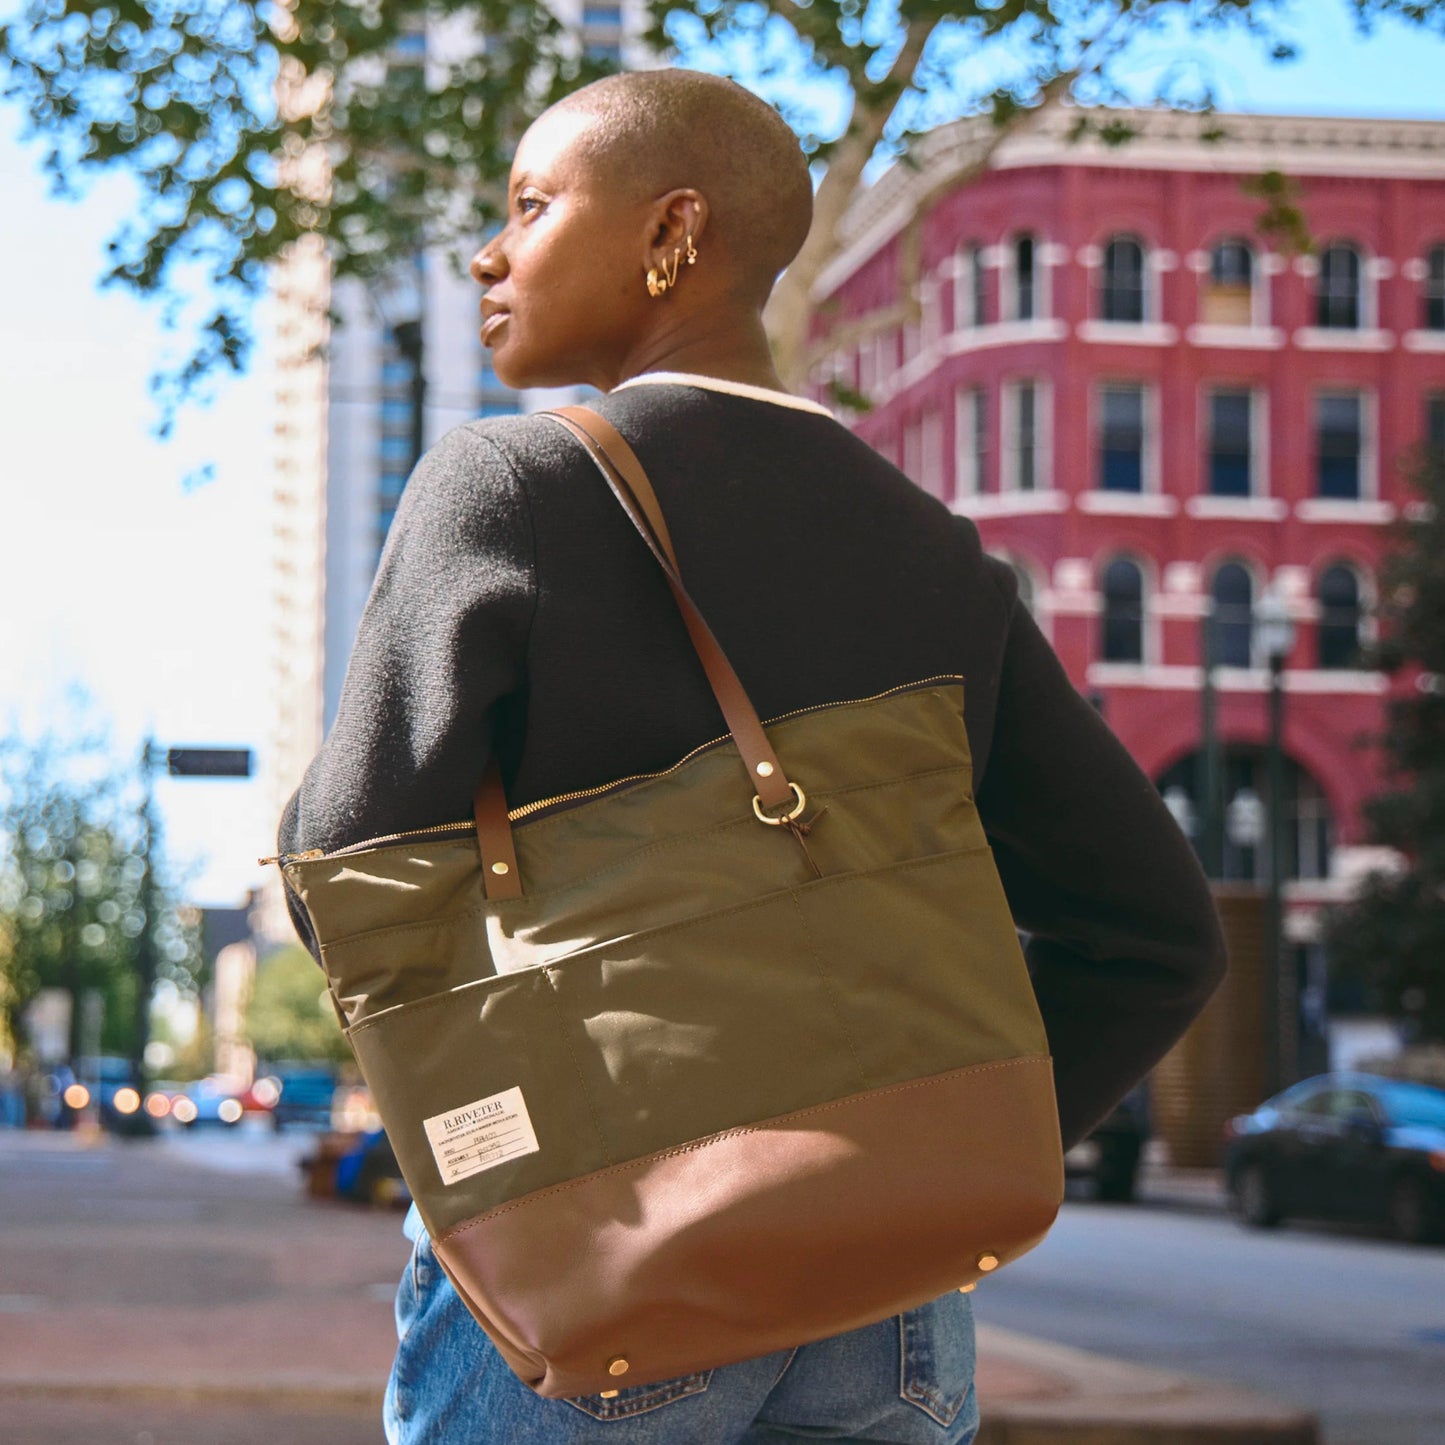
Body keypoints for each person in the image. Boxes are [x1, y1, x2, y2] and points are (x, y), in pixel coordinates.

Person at [277, 68, 1226, 1445]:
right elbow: (1159, 935)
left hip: (604, 1261)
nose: (489, 252)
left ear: (672, 236)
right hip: (893, 1298)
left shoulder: (508, 488)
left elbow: (346, 880)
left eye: (531, 206)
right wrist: (920, 1147)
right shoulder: (929, 546)